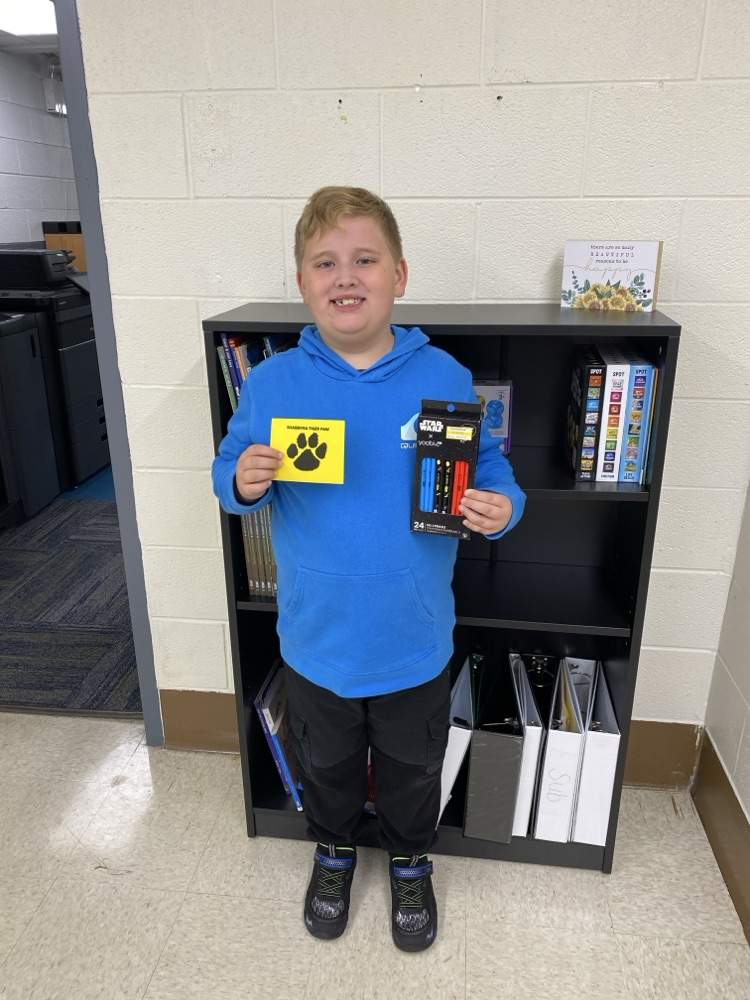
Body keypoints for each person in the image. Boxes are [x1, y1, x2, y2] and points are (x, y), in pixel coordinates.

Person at [211, 186, 526, 952]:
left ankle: (412, 858)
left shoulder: (445, 377)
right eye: (325, 262)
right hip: (316, 642)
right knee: (328, 765)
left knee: (413, 769)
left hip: (413, 640)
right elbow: (228, 469)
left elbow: (492, 469)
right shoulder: (274, 382)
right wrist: (243, 481)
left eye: (363, 259)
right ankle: (334, 849)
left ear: (400, 276)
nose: (344, 276)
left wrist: (502, 506)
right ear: (301, 280)